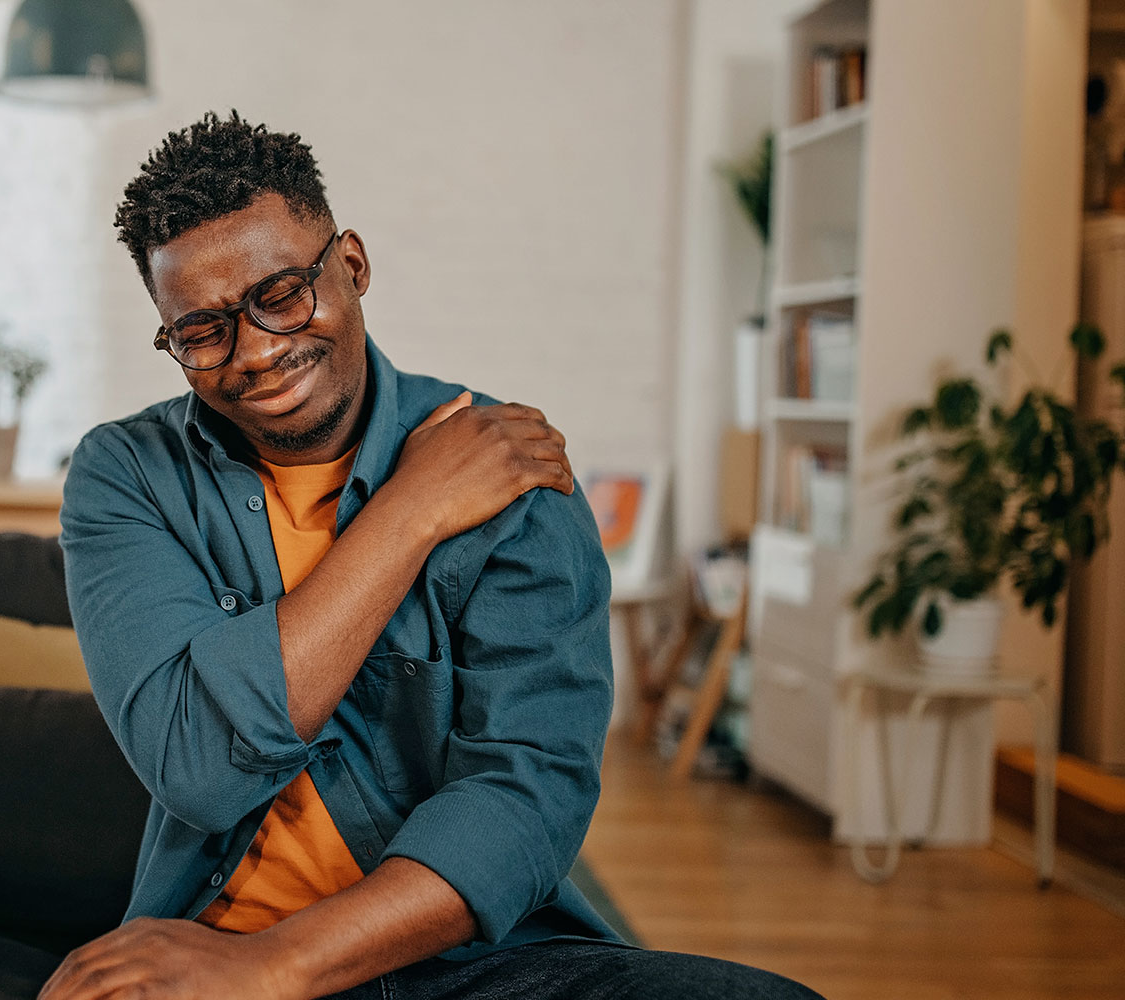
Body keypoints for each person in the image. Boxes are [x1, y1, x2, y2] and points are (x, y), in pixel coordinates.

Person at [45, 111, 821, 1000]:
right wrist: (412, 511)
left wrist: (281, 966)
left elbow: (526, 798)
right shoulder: (128, 475)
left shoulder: (509, 472)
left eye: (282, 293)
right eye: (202, 332)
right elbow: (203, 769)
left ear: (354, 264)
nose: (256, 352)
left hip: (464, 964)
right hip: (209, 951)